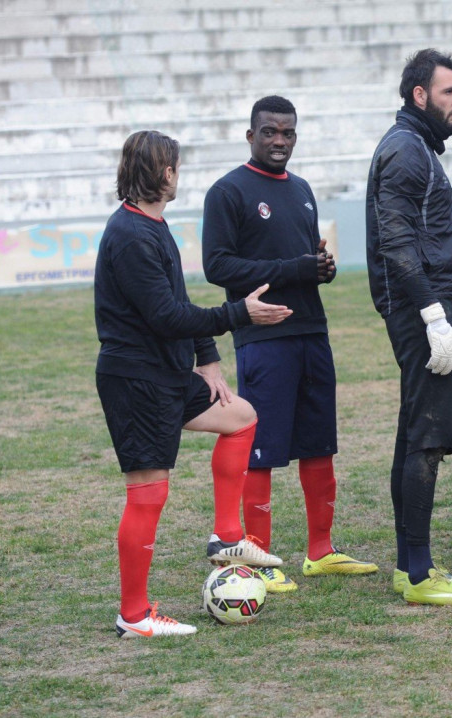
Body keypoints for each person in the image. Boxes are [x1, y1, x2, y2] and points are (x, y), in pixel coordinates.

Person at [98, 130, 291, 639]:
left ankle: (227, 537)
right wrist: (239, 314)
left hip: (165, 374)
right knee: (147, 495)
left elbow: (177, 298)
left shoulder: (153, 225)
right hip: (136, 381)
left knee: (241, 416)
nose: (178, 175)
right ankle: (134, 616)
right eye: (175, 167)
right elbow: (164, 315)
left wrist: (207, 359)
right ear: (164, 173)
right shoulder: (131, 234)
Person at [203, 96, 377, 595]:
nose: (279, 141)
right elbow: (218, 266)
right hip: (263, 337)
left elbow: (302, 259)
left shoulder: (301, 190)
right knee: (263, 449)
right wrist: (294, 269)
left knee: (319, 445)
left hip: (311, 333)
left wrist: (319, 267)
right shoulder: (228, 191)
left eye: (288, 133)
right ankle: (258, 556)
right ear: (250, 135)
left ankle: (320, 552)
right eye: (269, 132)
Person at [367, 49, 452, 605]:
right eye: (449, 93)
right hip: (422, 311)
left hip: (423, 306)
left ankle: (408, 565)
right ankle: (418, 575)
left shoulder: (414, 146)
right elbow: (396, 243)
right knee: (428, 438)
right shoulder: (407, 151)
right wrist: (434, 316)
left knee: (414, 430)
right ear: (420, 96)